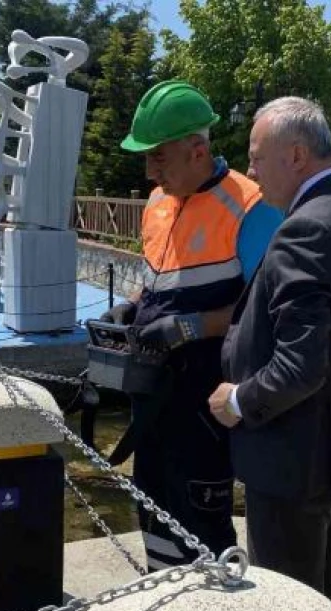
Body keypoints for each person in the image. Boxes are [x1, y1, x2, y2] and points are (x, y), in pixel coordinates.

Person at [208, 96, 331, 611]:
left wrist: (240, 400)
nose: (249, 170)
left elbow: (301, 363)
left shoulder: (305, 228)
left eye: (256, 156)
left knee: (288, 598)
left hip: (295, 459)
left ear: (294, 155)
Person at [99, 80, 283, 572]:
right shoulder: (160, 203)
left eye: (158, 158)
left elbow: (263, 313)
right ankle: (163, 590)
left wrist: (189, 327)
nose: (149, 171)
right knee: (153, 507)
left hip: (205, 405)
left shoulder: (252, 208)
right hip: (153, 394)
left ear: (197, 150)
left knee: (201, 519)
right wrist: (131, 306)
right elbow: (158, 278)